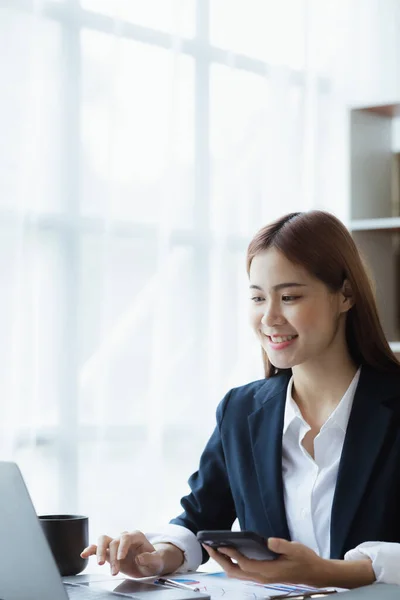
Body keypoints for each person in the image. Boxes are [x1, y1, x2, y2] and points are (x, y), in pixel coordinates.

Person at [81, 210, 400, 589]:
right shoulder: (242, 410)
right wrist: (157, 556)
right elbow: (200, 519)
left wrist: (330, 573)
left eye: (289, 296)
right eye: (258, 298)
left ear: (345, 295)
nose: (270, 317)